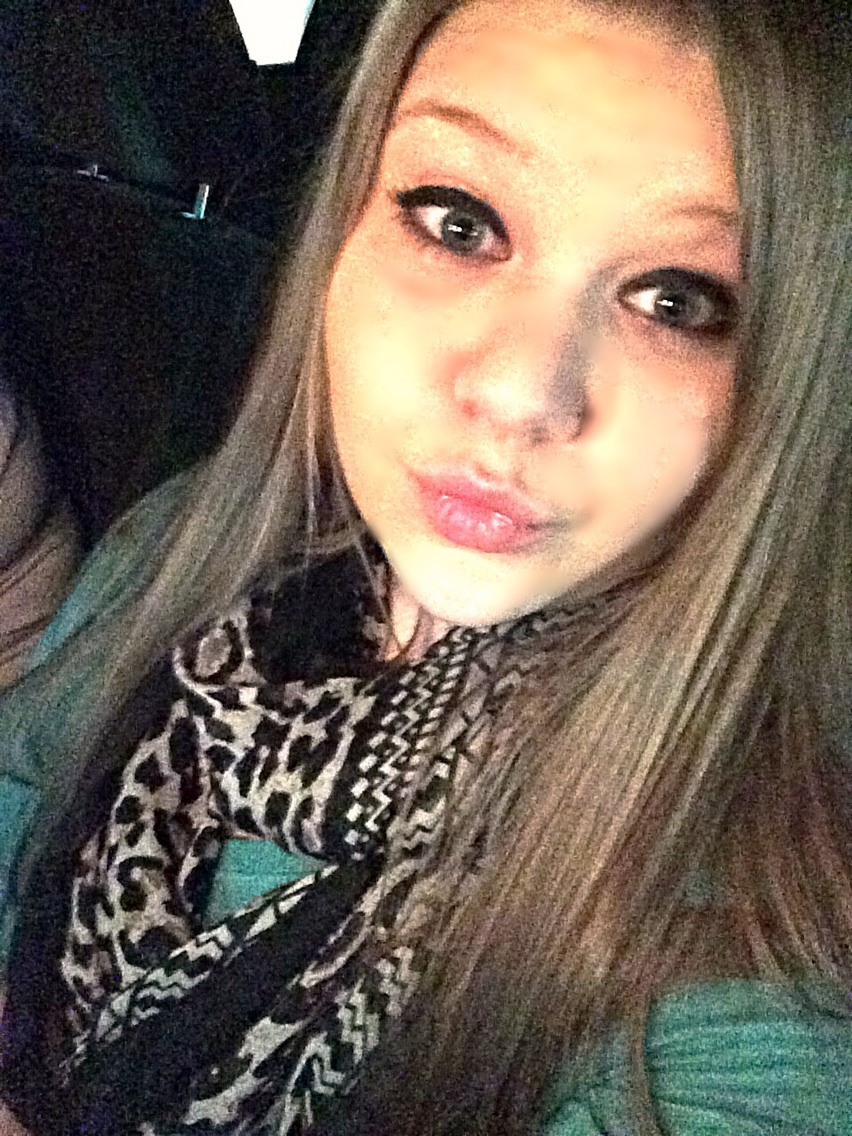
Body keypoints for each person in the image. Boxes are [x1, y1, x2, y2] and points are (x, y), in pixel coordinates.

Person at [1, 0, 850, 1132]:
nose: (519, 391)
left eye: (678, 300)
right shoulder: (185, 552)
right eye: (458, 222)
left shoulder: (760, 982)